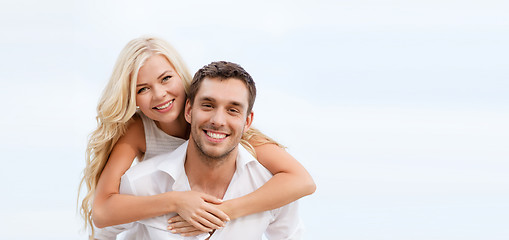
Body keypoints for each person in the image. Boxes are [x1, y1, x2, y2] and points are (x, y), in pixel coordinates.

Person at [78, 36, 314, 239]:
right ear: (133, 99)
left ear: (181, 77)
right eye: (142, 89)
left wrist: (222, 211)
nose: (159, 94)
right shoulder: (140, 131)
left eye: (166, 78)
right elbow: (103, 211)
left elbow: (302, 181)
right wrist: (177, 201)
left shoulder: (231, 132)